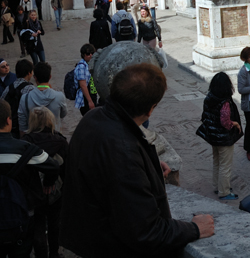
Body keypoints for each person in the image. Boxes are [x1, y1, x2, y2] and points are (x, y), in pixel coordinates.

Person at [61, 63, 215, 257]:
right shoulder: (123, 151)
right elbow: (146, 231)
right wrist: (194, 229)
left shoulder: (94, 117)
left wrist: (147, 167)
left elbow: (103, 170)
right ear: (150, 109)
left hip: (87, 238)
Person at [0, 99, 60, 258]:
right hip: (22, 219)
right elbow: (53, 166)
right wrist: (48, 183)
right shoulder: (26, 148)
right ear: (9, 120)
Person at [21, 107, 69, 258]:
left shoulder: (26, 142)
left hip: (34, 190)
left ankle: (41, 253)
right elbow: (67, 167)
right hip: (57, 189)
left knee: (38, 223)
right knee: (55, 222)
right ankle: (54, 252)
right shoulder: (60, 141)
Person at [198, 72, 243, 201]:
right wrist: (235, 124)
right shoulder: (225, 102)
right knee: (225, 165)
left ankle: (217, 186)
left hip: (212, 136)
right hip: (223, 138)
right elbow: (225, 122)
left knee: (217, 161)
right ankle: (224, 191)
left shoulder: (209, 97)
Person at [18, 62, 68, 134]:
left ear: (35, 78)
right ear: (50, 77)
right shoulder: (59, 96)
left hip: (33, 140)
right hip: (54, 138)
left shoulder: (25, 98)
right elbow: (63, 114)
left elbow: (22, 125)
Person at [74, 44, 98, 117]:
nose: (90, 55)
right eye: (88, 54)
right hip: (85, 98)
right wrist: (90, 101)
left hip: (93, 94)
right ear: (83, 55)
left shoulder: (91, 64)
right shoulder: (81, 67)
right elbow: (83, 85)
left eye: (92, 53)